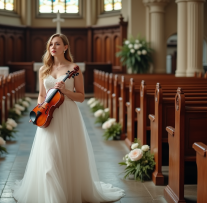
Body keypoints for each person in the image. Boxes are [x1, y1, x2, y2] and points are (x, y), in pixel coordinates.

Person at [12, 34, 125, 203]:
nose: (53, 47)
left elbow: (81, 97)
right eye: (51, 44)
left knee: (66, 152)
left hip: (68, 114)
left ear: (65, 47)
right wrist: (40, 108)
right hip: (48, 115)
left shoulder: (74, 68)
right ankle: (52, 197)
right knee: (49, 155)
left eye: (57, 44)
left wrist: (65, 91)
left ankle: (67, 191)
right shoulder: (43, 70)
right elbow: (41, 95)